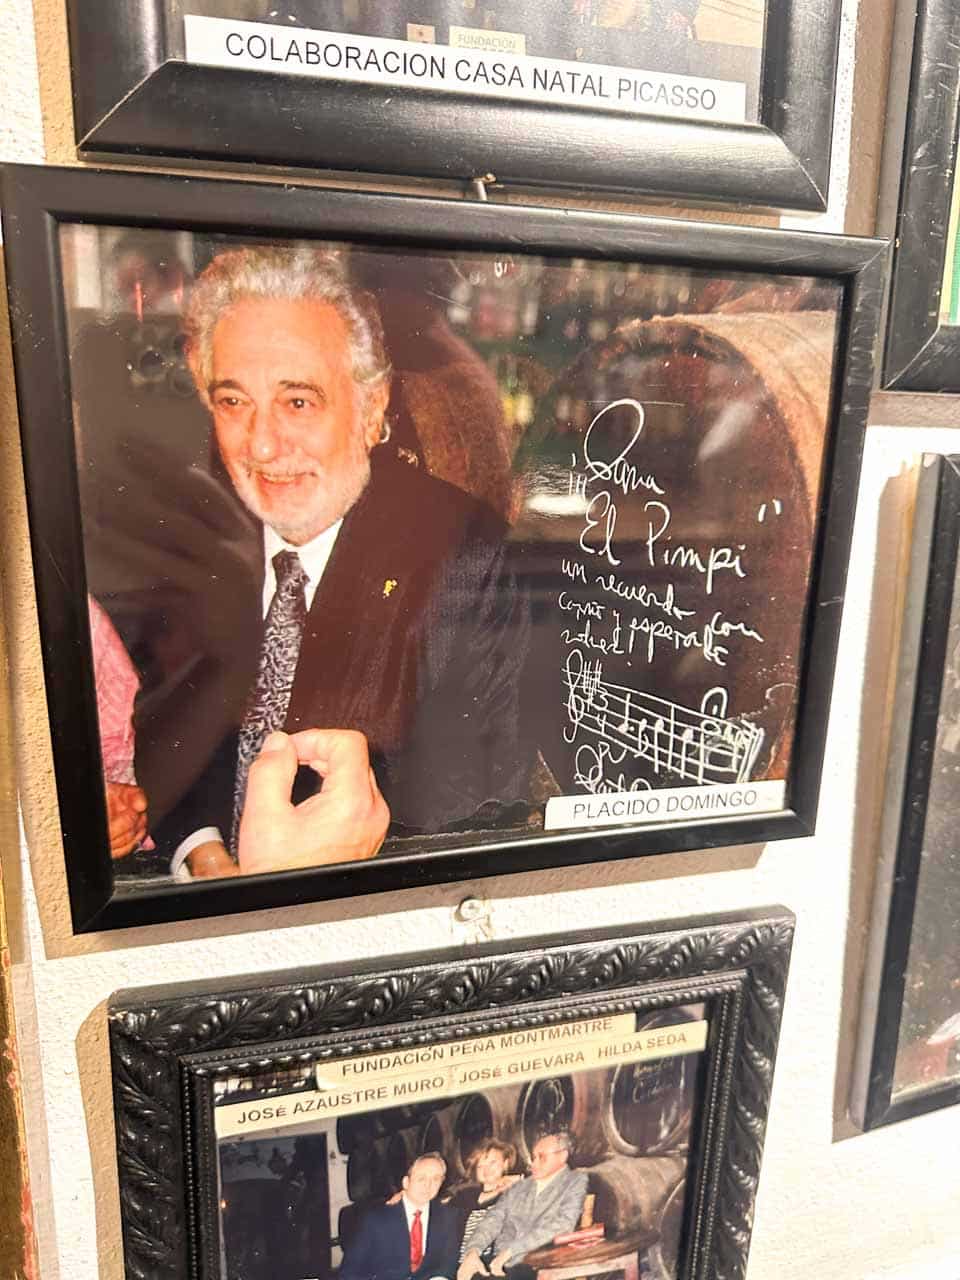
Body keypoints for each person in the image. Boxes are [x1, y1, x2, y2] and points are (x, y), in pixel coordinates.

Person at [125, 242, 529, 878]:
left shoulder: (462, 555)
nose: (261, 443)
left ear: (371, 412)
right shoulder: (193, 533)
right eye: (234, 401)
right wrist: (204, 855)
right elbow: (168, 726)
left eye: (298, 401)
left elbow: (474, 811)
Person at [457, 1133, 587, 1280]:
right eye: (533, 1157)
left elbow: (563, 1224)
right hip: (502, 1263)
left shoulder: (575, 1181)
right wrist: (473, 1251)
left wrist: (510, 1251)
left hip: (541, 1262)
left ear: (562, 1156)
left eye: (541, 1157)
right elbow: (493, 1219)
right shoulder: (519, 1186)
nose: (533, 1163)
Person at [339, 1152, 461, 1280]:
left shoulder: (447, 1217)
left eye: (435, 1179)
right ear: (406, 1182)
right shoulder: (375, 1219)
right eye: (421, 1178)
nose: (428, 1185)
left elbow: (449, 1261)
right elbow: (349, 1272)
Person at [447, 1140, 522, 1262]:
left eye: (492, 1162)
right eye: (480, 1165)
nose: (486, 1169)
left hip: (497, 1264)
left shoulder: (515, 1195)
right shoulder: (465, 1195)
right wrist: (499, 1189)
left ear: (505, 1164)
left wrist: (518, 1180)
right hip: (461, 1265)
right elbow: (476, 1201)